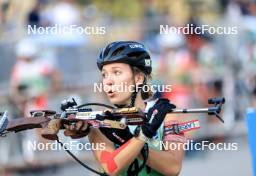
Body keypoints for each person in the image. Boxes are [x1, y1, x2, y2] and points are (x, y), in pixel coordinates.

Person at [64, 41, 186, 176]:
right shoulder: (100, 122)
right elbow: (111, 168)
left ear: (138, 78)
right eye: (104, 74)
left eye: (116, 72)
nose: (108, 81)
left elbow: (173, 168)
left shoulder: (167, 116)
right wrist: (141, 136)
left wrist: (134, 139)